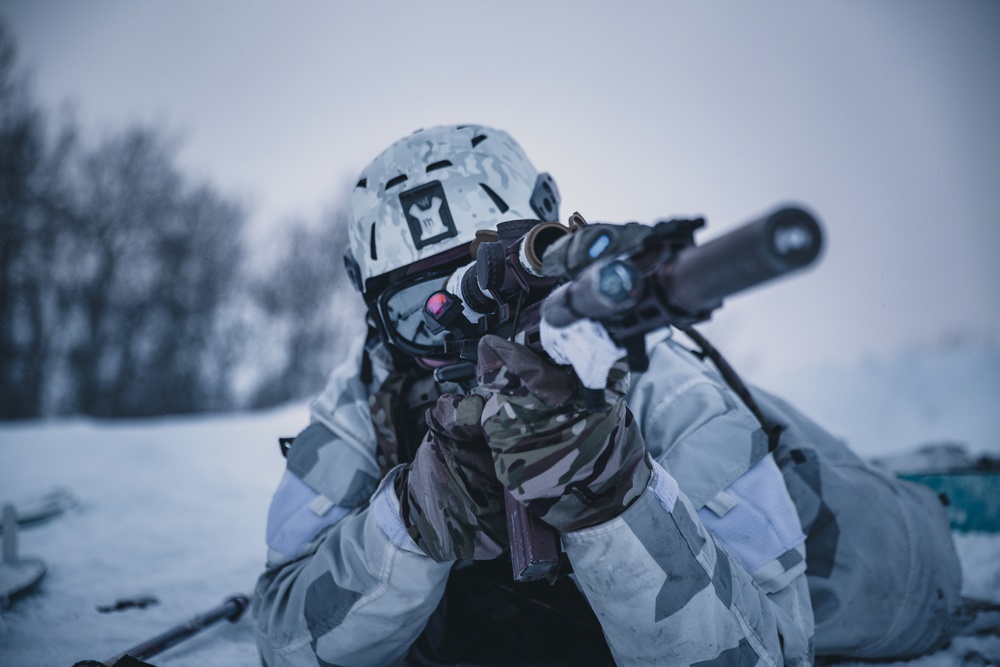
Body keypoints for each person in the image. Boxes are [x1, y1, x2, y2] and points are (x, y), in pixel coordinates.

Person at [252, 124, 964, 666]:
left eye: (482, 281)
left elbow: (773, 647)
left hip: (863, 555)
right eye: (422, 313)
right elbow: (281, 632)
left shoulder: (666, 390)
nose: (468, 329)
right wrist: (409, 520)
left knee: (877, 541)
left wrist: (614, 495)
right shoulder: (364, 402)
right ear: (377, 318)